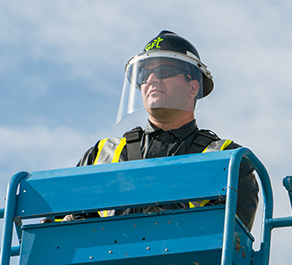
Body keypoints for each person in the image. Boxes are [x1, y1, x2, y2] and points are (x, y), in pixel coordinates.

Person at [72, 30, 258, 230]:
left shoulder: (228, 159)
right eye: (144, 75)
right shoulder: (102, 153)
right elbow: (61, 228)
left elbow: (228, 238)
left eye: (164, 71)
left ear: (193, 87)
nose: (151, 79)